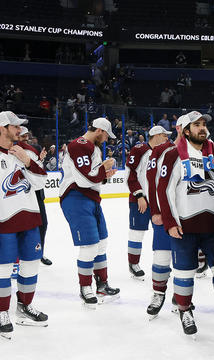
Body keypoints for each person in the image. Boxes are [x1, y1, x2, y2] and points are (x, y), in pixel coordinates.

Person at [157, 111, 214, 337]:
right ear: (186, 130)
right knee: (184, 273)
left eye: (204, 124)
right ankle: (185, 310)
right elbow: (164, 190)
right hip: (185, 226)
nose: (202, 128)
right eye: (196, 125)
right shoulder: (173, 155)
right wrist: (170, 222)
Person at [0, 111, 48, 338]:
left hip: (30, 221)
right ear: (3, 128)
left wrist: (27, 160)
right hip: (4, 225)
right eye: (15, 127)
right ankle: (1, 312)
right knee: (1, 271)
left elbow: (41, 183)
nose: (20, 130)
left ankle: (25, 305)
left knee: (30, 266)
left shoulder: (27, 151)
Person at [59, 117, 120, 308]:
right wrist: (104, 169)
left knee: (101, 243)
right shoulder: (78, 145)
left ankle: (102, 284)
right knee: (89, 246)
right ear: (100, 130)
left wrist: (103, 175)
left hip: (90, 198)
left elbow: (92, 177)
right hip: (76, 198)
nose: (106, 139)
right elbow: (85, 179)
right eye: (106, 135)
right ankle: (85, 287)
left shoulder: (93, 148)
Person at [124, 125, 171, 280]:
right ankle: (133, 263)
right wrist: (139, 196)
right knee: (137, 232)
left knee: (162, 232)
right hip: (140, 200)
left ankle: (162, 264)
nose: (167, 138)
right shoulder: (139, 150)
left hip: (157, 201)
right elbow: (130, 175)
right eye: (165, 135)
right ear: (156, 135)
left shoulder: (163, 152)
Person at [145, 126, 176, 318]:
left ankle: (182, 297)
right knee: (162, 256)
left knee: (184, 262)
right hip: (165, 214)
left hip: (188, 215)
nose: (167, 138)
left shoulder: (199, 149)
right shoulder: (159, 152)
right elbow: (151, 181)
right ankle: (158, 293)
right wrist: (155, 210)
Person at [18, 127, 51, 266]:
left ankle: (39, 252)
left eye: (27, 135)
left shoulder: (33, 150)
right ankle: (19, 256)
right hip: (24, 193)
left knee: (43, 223)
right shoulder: (15, 150)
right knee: (22, 227)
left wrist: (40, 159)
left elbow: (37, 169)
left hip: (37, 193)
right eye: (23, 135)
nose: (26, 138)